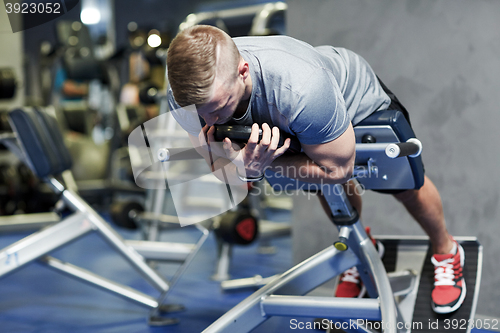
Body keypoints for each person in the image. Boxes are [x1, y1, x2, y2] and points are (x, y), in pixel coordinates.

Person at [166, 25, 465, 314]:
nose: (213, 120)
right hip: (291, 116)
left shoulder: (302, 87)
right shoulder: (184, 94)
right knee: (325, 189)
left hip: (352, 103)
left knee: (404, 186)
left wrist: (254, 165)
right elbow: (217, 164)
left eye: (219, 107)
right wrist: (244, 167)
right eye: (203, 113)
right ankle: (363, 255)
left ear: (243, 71)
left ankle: (446, 249)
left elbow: (339, 170)